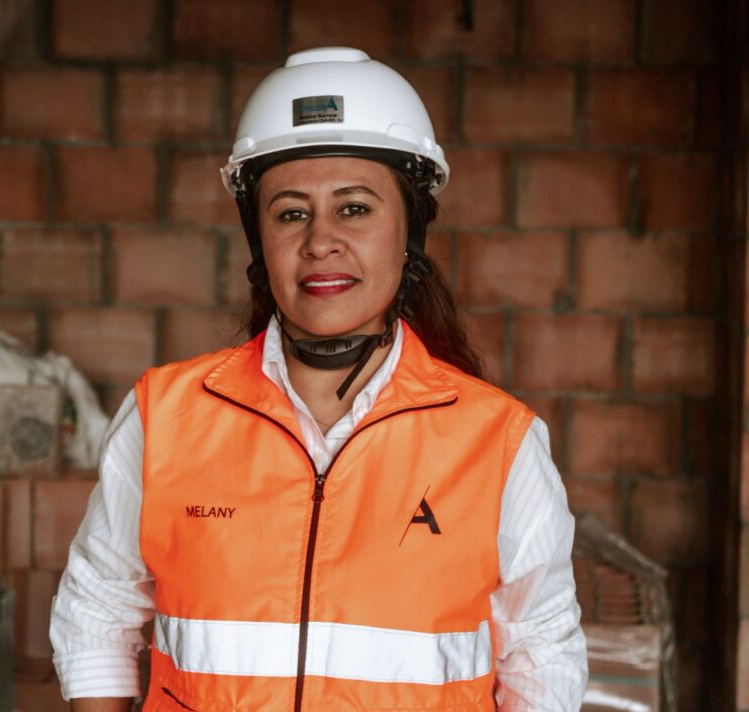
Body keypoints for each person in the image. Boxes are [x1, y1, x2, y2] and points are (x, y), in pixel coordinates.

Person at [51, 47, 587, 711]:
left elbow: (543, 659)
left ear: (409, 232)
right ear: (259, 240)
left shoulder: (499, 445)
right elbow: (96, 611)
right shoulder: (165, 418)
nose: (320, 241)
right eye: (291, 213)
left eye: (355, 208)